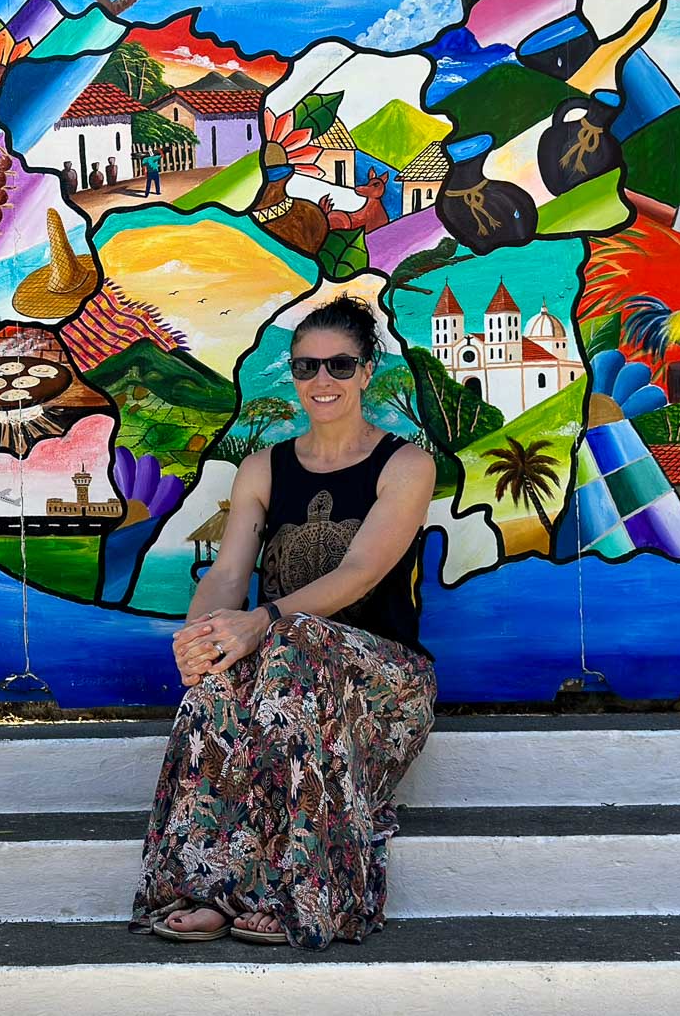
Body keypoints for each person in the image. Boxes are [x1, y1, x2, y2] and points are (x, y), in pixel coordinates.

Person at [130, 294, 437, 951]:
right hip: (281, 680)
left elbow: (359, 573)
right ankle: (208, 884)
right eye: (305, 367)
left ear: (366, 372)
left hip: (382, 687)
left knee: (292, 640)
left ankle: (299, 892)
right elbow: (226, 574)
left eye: (338, 365)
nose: (321, 381)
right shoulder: (264, 468)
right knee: (217, 686)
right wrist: (203, 637)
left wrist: (257, 623)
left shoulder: (407, 465)